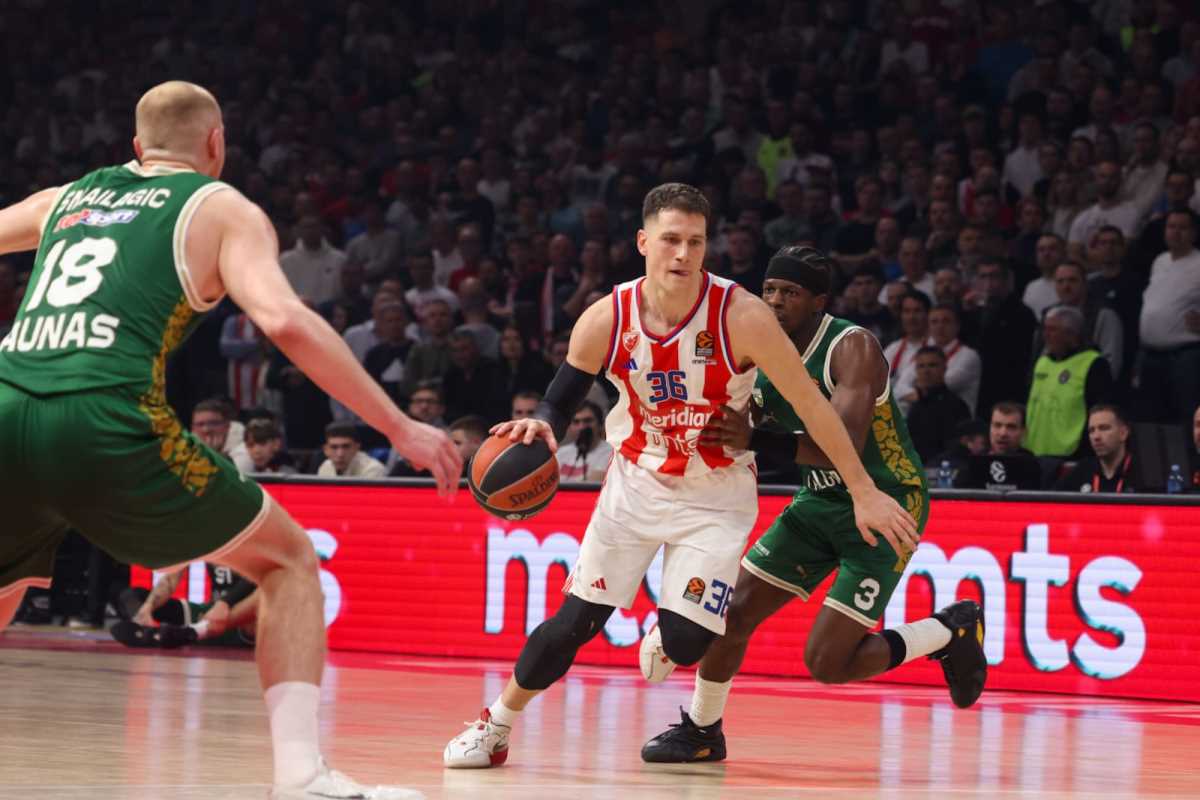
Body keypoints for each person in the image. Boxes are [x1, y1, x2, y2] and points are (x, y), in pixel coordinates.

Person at [0, 81, 459, 799]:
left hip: (6, 401)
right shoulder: (220, 207)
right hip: (102, 413)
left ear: (136, 147)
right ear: (216, 143)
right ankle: (301, 778)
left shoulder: (67, 198)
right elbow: (284, 321)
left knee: (6, 583)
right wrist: (400, 426)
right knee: (288, 562)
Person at [443, 186, 918, 769]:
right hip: (634, 484)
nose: (683, 253)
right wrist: (542, 424)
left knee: (689, 643)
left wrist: (864, 491)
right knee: (574, 624)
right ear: (644, 242)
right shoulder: (606, 317)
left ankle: (672, 630)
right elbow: (560, 399)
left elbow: (815, 409)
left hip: (715, 496)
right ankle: (495, 724)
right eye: (671, 239)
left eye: (696, 241)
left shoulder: (742, 315)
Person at [640, 246, 983, 765]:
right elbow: (724, 419)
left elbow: (842, 443)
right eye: (770, 290)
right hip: (818, 499)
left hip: (883, 503)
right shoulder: (757, 348)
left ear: (819, 301)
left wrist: (753, 437)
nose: (776, 301)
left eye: (790, 292)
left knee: (827, 662)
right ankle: (703, 731)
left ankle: (945, 632)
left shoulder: (852, 347)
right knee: (730, 616)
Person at [1024, 306, 1115, 457]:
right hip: (1034, 452)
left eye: (1052, 329)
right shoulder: (1042, 362)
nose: (1045, 335)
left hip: (1071, 455)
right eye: (1045, 329)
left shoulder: (1093, 364)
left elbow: (1100, 413)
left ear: (1071, 334)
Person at [112, 562, 259, 649]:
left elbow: (259, 576)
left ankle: (191, 632)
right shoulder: (205, 535)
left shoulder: (252, 530)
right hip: (210, 612)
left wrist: (225, 602)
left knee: (262, 598)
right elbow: (171, 578)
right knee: (132, 596)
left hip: (245, 616)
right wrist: (148, 607)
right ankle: (148, 629)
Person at [1054, 405, 1142, 492]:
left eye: (1104, 428)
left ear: (1123, 433)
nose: (1096, 437)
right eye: (1091, 430)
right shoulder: (1082, 471)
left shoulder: (1143, 473)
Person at [906, 346, 972, 462]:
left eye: (932, 365)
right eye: (921, 366)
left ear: (944, 368)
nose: (926, 371)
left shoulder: (956, 406)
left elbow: (958, 451)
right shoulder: (915, 407)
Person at [555, 400, 613, 482]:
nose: (581, 427)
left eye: (587, 421)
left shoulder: (611, 453)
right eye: (576, 422)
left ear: (600, 425)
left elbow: (595, 482)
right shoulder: (560, 453)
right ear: (569, 427)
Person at [317, 422, 387, 478]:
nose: (340, 454)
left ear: (357, 448)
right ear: (326, 450)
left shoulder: (373, 469)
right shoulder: (325, 467)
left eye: (346, 447)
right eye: (334, 447)